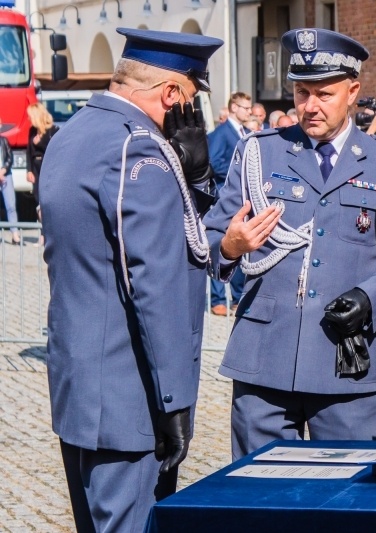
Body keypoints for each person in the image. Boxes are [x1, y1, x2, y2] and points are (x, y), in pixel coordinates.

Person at [203, 28, 376, 459]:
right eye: (301, 92)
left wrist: (369, 298)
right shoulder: (259, 153)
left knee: (349, 504)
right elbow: (212, 238)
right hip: (264, 362)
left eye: (324, 93)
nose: (309, 106)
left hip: (344, 364)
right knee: (263, 501)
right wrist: (230, 247)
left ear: (353, 92)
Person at [38, 28, 226, 532]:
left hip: (82, 386)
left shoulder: (71, 134)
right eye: (188, 99)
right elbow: (155, 282)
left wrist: (194, 177)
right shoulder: (138, 149)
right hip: (130, 395)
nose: (189, 113)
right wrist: (173, 403)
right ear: (170, 94)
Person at [207, 92, 253, 315]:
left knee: (238, 249)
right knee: (220, 245)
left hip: (241, 202)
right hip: (224, 197)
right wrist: (238, 175)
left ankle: (236, 297)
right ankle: (217, 299)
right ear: (234, 107)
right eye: (245, 107)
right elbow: (214, 161)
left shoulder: (245, 132)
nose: (249, 112)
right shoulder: (223, 132)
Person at [26, 102, 59, 246]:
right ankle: (43, 234)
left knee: (46, 203)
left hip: (48, 168)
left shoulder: (52, 130)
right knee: (38, 202)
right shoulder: (32, 131)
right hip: (36, 168)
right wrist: (28, 170)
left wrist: (39, 143)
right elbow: (28, 152)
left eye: (30, 116)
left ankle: (49, 235)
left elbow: (55, 150)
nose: (29, 119)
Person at [0, 119, 20, 245]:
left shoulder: (4, 141)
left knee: (11, 206)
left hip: (6, 176)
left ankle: (15, 234)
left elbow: (9, 157)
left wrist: (3, 170)